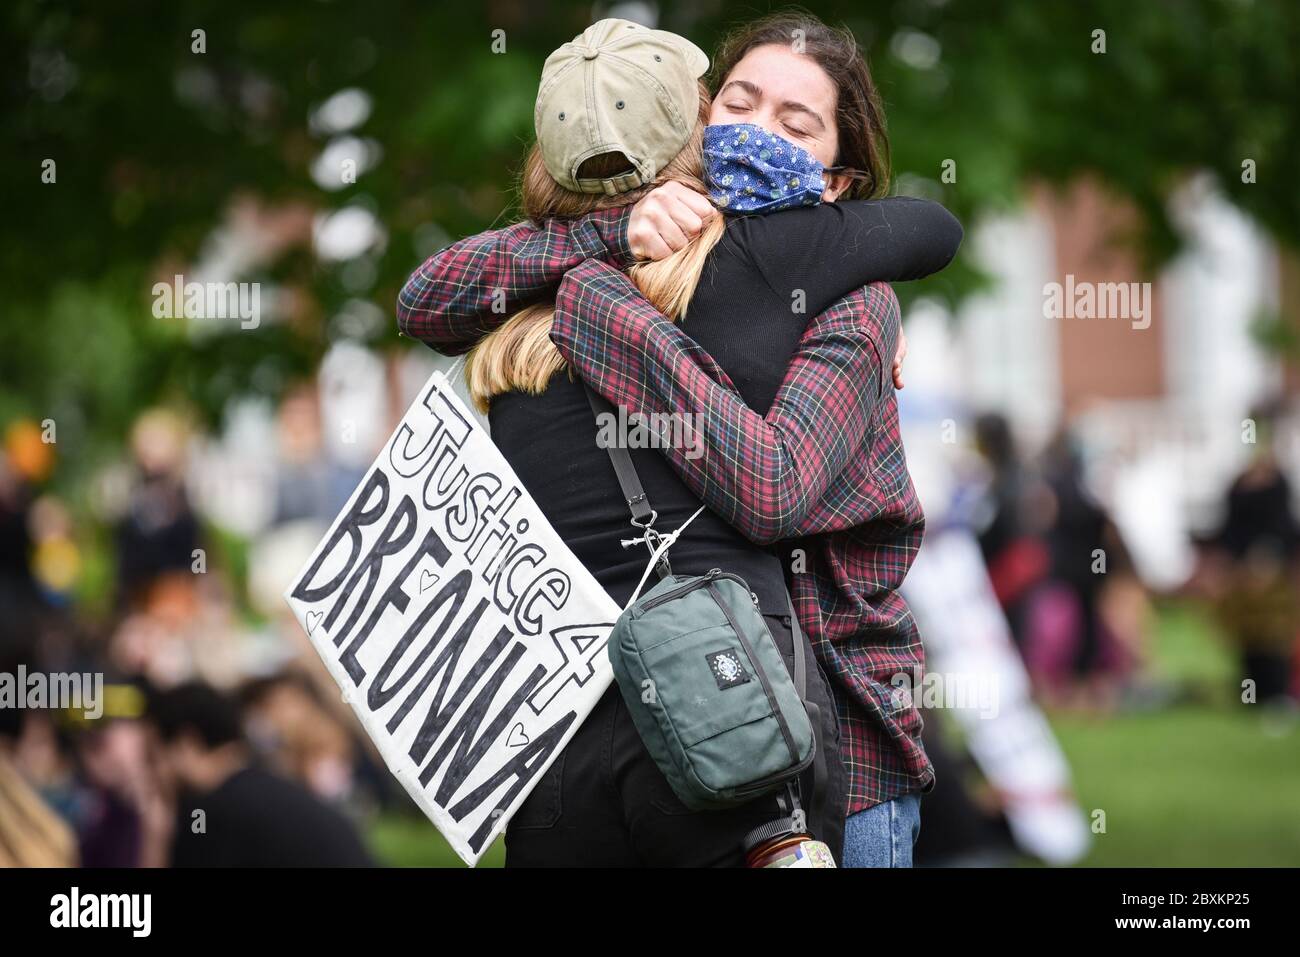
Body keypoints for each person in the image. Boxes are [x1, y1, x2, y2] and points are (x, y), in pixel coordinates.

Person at [399, 15, 960, 866]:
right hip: (654, 722)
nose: (755, 132)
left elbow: (774, 487)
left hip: (837, 733)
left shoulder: (842, 293)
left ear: (840, 180)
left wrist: (602, 304)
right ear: (699, 121)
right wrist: (604, 244)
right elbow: (427, 295)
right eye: (740, 102)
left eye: (795, 123)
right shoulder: (628, 265)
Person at [145, 681, 373, 867]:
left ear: (187, 745)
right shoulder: (265, 787)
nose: (153, 772)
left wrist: (156, 835)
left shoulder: (207, 812)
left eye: (153, 756)